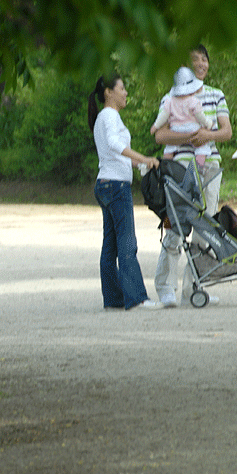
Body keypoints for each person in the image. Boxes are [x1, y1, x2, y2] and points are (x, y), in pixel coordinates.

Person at [153, 45, 233, 308]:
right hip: (179, 168)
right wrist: (188, 136)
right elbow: (160, 134)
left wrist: (206, 136)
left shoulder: (216, 95)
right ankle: (166, 287)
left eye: (204, 59)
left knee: (204, 229)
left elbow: (226, 132)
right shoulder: (171, 97)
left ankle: (194, 287)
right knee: (175, 226)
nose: (201, 63)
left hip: (209, 167)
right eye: (195, 60)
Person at [88, 73, 162, 311]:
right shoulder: (109, 116)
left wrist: (143, 164)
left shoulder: (104, 117)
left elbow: (117, 154)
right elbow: (113, 144)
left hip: (106, 183)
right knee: (127, 244)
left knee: (110, 246)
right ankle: (136, 298)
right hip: (116, 187)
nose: (126, 93)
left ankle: (113, 300)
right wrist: (143, 157)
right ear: (109, 92)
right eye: (122, 88)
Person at [150, 67, 214, 166]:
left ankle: (167, 163)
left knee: (170, 146)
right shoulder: (194, 101)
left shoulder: (170, 100)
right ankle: (200, 166)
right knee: (202, 146)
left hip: (175, 129)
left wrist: (155, 126)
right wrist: (208, 124)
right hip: (192, 128)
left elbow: (163, 116)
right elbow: (200, 116)